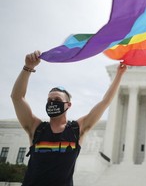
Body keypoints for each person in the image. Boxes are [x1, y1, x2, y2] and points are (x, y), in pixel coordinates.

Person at [11, 50, 126, 186]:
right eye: (49, 99)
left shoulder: (76, 129)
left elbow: (105, 102)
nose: (52, 102)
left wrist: (119, 74)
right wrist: (28, 68)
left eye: (57, 99)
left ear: (68, 105)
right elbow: (17, 98)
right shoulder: (36, 128)